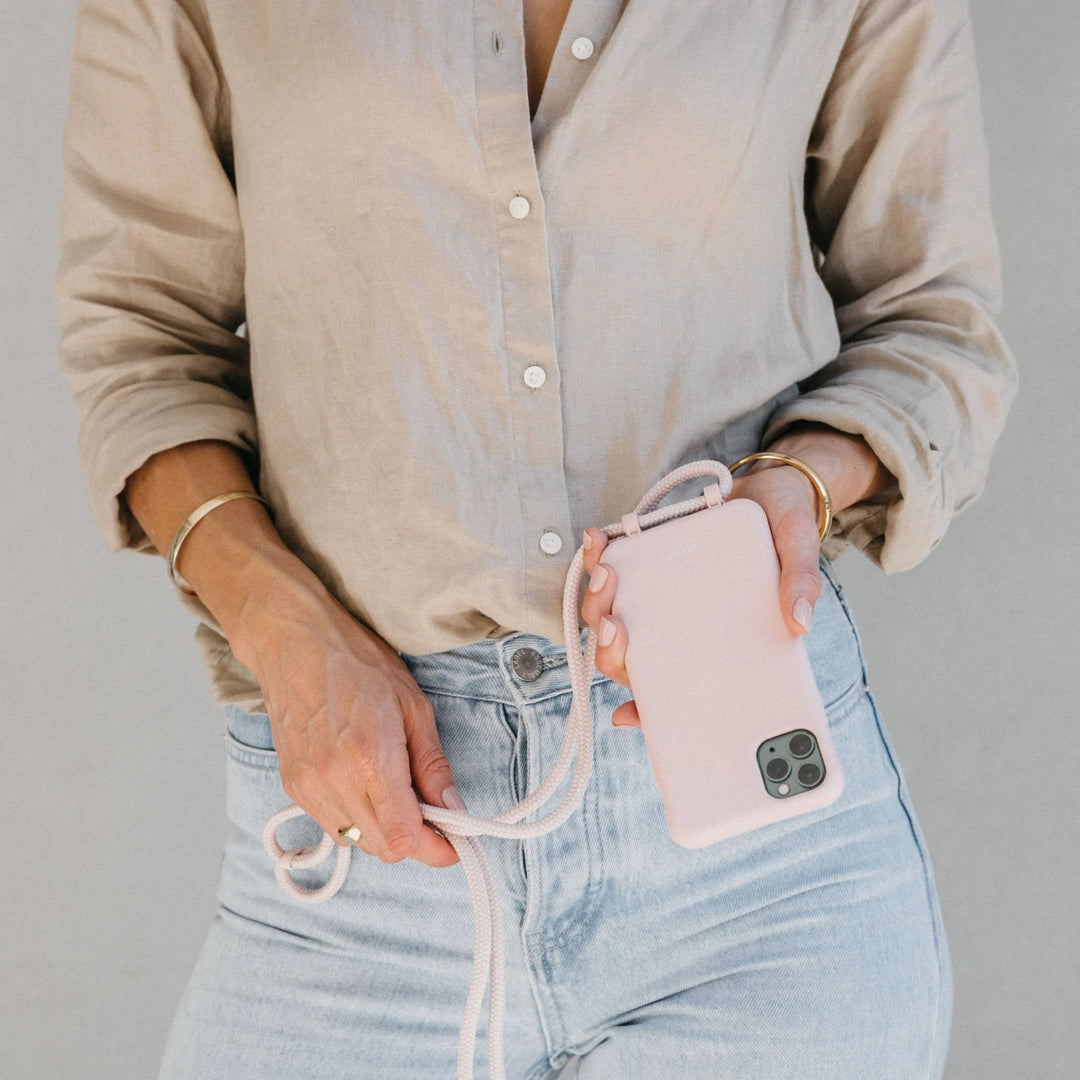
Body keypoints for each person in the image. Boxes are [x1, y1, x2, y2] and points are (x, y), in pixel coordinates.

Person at [54, 1, 1016, 1077]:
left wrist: (794, 487)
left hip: (755, 865)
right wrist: (285, 633)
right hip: (361, 843)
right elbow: (142, 340)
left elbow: (936, 325)